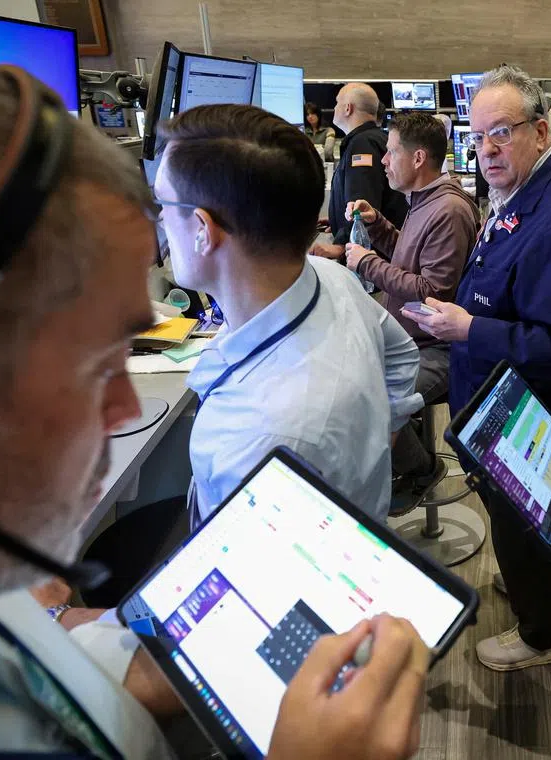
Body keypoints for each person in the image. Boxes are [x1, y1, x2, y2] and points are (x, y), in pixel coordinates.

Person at [0, 26, 428, 760]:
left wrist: (43, 616)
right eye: (92, 359)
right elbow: (403, 362)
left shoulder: (268, 431)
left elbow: (219, 632)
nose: (121, 409)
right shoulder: (330, 281)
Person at [403, 65, 551, 672]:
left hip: (529, 418)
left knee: (520, 529)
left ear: (541, 132)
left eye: (501, 132)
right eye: (477, 136)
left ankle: (542, 634)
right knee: (516, 530)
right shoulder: (521, 195)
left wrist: (469, 328)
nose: (486, 149)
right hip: (499, 404)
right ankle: (534, 587)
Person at [157, 104, 421, 527]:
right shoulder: (332, 277)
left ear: (204, 230)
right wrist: (373, 448)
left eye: (163, 203)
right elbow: (404, 355)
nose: (160, 218)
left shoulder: (262, 440)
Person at [343, 112, 480, 509]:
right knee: (350, 384)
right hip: (411, 340)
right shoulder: (424, 202)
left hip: (438, 348)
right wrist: (378, 226)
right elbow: (412, 260)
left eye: (390, 152)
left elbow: (432, 291)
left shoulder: (448, 210)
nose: (383, 161)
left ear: (418, 158)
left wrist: (367, 263)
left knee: (372, 402)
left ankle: (421, 469)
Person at [310, 83, 407, 260]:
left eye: (337, 102)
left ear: (348, 108)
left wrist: (341, 246)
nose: (334, 108)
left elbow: (363, 202)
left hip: (369, 260)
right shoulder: (374, 138)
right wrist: (337, 219)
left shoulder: (362, 144)